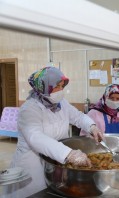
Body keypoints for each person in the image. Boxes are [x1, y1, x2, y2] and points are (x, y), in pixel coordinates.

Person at [5, 67, 104, 197]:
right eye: (57, 86)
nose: (61, 91)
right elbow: (35, 137)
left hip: (54, 163)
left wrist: (92, 127)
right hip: (31, 167)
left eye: (62, 86)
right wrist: (69, 154)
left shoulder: (61, 103)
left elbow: (78, 117)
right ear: (44, 87)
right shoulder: (29, 109)